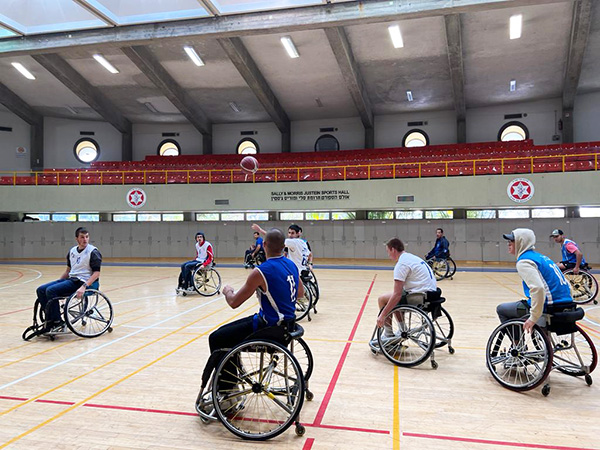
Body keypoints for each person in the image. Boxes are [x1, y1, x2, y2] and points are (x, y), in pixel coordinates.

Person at [205, 228, 303, 399]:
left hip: (270, 328)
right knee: (228, 331)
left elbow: (234, 302)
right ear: (283, 247)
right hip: (288, 325)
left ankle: (228, 390)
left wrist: (228, 291)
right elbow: (300, 293)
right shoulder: (291, 265)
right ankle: (232, 376)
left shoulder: (261, 271)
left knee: (217, 338)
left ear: (264, 245)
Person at [497, 228, 572, 333]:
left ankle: (516, 344)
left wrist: (533, 317)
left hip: (550, 305)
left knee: (502, 309)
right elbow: (568, 285)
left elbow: (538, 288)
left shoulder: (524, 261)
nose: (508, 244)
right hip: (567, 304)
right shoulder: (541, 257)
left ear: (521, 242)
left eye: (512, 241)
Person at [35, 227, 102, 331]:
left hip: (82, 282)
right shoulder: (72, 252)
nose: (85, 239)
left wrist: (84, 287)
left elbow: (96, 273)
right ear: (77, 239)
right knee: (41, 289)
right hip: (71, 279)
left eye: (87, 237)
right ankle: (49, 320)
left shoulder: (93, 252)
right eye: (82, 237)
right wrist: (58, 282)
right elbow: (68, 271)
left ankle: (57, 321)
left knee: (51, 290)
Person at [373, 238, 437, 346]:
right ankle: (401, 328)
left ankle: (390, 334)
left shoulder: (401, 264)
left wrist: (382, 316)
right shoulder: (411, 257)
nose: (388, 255)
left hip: (420, 296)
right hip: (431, 293)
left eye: (388, 252)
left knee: (383, 299)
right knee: (397, 297)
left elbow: (397, 295)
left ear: (393, 249)